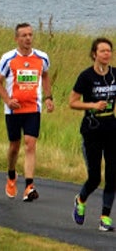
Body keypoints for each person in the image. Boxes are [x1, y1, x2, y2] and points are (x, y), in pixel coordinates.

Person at [0, 23, 54, 202]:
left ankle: (29, 186)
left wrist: (49, 97)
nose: (28, 38)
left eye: (30, 35)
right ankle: (11, 175)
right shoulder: (8, 58)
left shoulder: (42, 57)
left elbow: (45, 75)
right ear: (16, 39)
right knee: (14, 146)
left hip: (33, 108)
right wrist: (8, 100)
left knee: (30, 144)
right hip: (13, 111)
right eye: (24, 36)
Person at [69, 37, 116, 231]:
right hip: (92, 128)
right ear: (94, 54)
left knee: (113, 175)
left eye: (109, 51)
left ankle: (105, 218)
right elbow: (72, 102)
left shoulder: (114, 74)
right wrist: (93, 105)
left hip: (111, 127)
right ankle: (80, 199)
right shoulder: (86, 76)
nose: (107, 54)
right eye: (103, 51)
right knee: (95, 177)